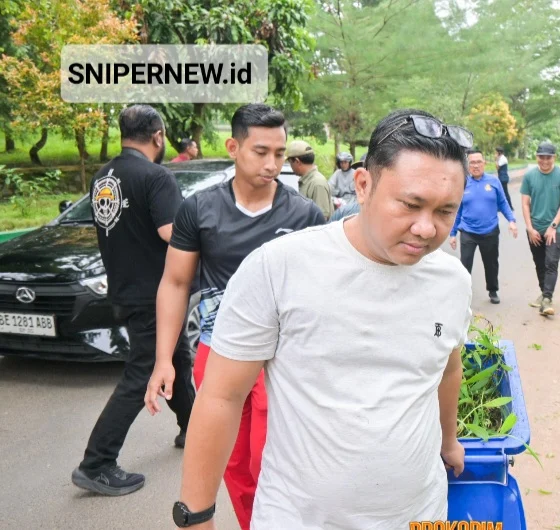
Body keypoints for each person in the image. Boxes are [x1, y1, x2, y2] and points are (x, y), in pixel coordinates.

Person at [173, 109, 475, 530]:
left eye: (445, 211)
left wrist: (449, 439)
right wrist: (196, 515)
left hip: (421, 514)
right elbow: (221, 396)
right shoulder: (279, 267)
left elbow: (447, 367)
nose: (426, 229)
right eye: (410, 204)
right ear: (363, 185)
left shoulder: (452, 281)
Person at [145, 104, 325, 529]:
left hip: (281, 359)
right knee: (236, 465)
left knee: (272, 461)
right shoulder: (199, 209)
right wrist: (164, 359)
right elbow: (175, 283)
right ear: (233, 147)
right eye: (261, 152)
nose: (272, 164)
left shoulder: (304, 215)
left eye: (279, 154)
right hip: (218, 352)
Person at [72, 105, 195, 496]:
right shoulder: (156, 176)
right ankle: (97, 463)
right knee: (144, 371)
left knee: (178, 359)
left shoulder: (103, 177)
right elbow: (172, 232)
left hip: (125, 287)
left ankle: (192, 428)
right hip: (155, 294)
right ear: (158, 136)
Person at [449, 150, 518, 304]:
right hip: (468, 231)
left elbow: (503, 203)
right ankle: (463, 293)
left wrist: (511, 221)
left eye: (478, 162)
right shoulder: (463, 183)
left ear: (484, 163)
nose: (475, 165)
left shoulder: (494, 182)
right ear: (467, 165)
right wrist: (452, 234)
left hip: (490, 231)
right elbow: (458, 211)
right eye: (472, 163)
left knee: (491, 263)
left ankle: (493, 290)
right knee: (465, 265)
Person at [520, 141, 560, 316]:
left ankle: (547, 299)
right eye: (541, 157)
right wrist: (529, 228)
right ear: (537, 157)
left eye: (548, 157)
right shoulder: (529, 176)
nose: (544, 161)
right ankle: (544, 293)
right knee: (540, 263)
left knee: (551, 263)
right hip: (535, 228)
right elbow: (525, 203)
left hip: (556, 228)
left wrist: (553, 226)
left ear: (554, 157)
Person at [286, 140, 333, 220]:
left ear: (297, 161)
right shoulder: (307, 181)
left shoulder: (317, 183)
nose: (291, 167)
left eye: (290, 163)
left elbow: (322, 219)